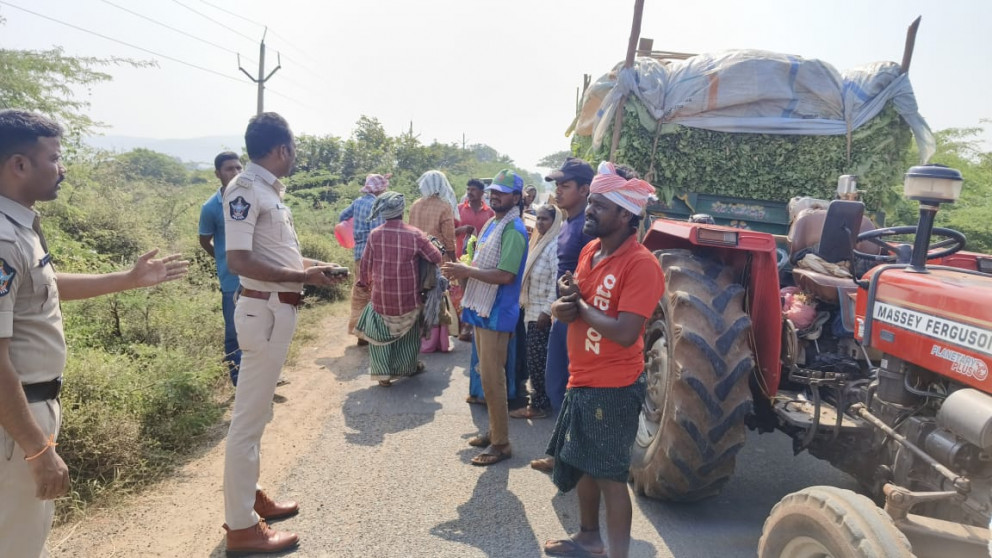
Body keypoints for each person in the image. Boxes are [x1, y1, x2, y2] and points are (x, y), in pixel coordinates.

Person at [0, 108, 189, 558]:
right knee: (17, 544)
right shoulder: (4, 240)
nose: (61, 169)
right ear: (19, 165)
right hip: (17, 418)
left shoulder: (18, 228)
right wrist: (35, 449)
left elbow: (43, 289)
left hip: (28, 409)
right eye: (54, 158)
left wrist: (127, 278)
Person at [221, 112, 346, 554]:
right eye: (294, 149)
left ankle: (248, 497)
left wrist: (312, 268)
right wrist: (304, 278)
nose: (296, 156)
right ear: (283, 150)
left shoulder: (269, 192)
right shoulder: (244, 190)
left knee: (258, 417)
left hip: (275, 311)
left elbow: (276, 254)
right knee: (249, 420)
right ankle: (240, 526)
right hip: (264, 312)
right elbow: (239, 260)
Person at [543, 161, 663, 558]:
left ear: (625, 215)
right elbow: (580, 297)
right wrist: (566, 301)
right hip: (583, 378)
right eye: (590, 202)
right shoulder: (592, 250)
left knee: (610, 476)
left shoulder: (641, 264)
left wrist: (576, 306)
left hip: (613, 386)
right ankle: (589, 538)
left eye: (599, 205)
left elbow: (626, 331)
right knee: (582, 462)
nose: (589, 211)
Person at [442, 169, 527, 467]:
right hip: (483, 307)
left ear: (516, 197)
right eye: (494, 190)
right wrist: (463, 268)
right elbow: (480, 261)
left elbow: (506, 275)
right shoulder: (494, 222)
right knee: (486, 373)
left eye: (502, 192)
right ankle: (493, 431)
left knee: (493, 377)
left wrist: (467, 272)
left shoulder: (514, 228)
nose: (495, 195)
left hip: (497, 311)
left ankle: (501, 443)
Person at [530, 156, 595, 473]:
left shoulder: (587, 225)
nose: (558, 191)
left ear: (585, 189)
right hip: (562, 315)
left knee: (571, 389)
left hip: (578, 319)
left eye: (565, 185)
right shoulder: (568, 222)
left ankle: (575, 459)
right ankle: (563, 454)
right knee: (559, 386)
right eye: (556, 185)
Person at [355, 191, 442, 385]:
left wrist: (363, 282)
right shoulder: (415, 235)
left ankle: (383, 375)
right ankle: (406, 367)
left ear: (383, 212)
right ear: (401, 211)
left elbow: (365, 264)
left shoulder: (375, 234)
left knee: (379, 337)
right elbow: (436, 257)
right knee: (409, 338)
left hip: (381, 300)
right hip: (409, 301)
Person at [510, 205, 562, 420]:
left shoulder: (554, 245)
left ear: (555, 221)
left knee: (538, 361)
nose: (540, 223)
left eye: (545, 219)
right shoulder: (540, 243)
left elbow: (556, 280)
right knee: (534, 360)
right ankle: (539, 399)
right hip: (531, 309)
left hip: (541, 313)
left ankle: (539, 405)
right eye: (538, 218)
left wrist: (546, 311)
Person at [198, 151, 244, 386]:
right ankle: (238, 380)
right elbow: (205, 239)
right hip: (231, 281)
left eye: (238, 168)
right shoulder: (210, 208)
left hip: (259, 276)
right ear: (218, 174)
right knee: (234, 332)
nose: (236, 173)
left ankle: (264, 378)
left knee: (262, 328)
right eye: (229, 169)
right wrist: (221, 257)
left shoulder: (250, 199)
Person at [408, 170, 457, 353]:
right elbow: (449, 238)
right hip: (438, 258)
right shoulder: (445, 206)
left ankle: (420, 337)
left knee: (420, 296)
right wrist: (454, 261)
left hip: (418, 257)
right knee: (437, 298)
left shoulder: (415, 205)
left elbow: (411, 231)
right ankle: (435, 341)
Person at [340, 173, 389, 345]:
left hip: (359, 254)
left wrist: (351, 231)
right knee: (375, 292)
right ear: (379, 189)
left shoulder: (358, 202)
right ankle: (373, 332)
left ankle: (359, 333)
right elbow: (377, 235)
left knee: (360, 292)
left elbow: (342, 217)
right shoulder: (379, 205)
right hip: (375, 256)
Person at [453, 178, 494, 341]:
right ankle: (465, 325)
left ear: (482, 193)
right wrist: (461, 229)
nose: (469, 192)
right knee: (464, 291)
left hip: (482, 259)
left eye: (473, 190)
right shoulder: (458, 209)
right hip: (462, 258)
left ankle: (473, 324)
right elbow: (449, 231)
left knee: (477, 290)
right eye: (468, 189)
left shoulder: (490, 213)